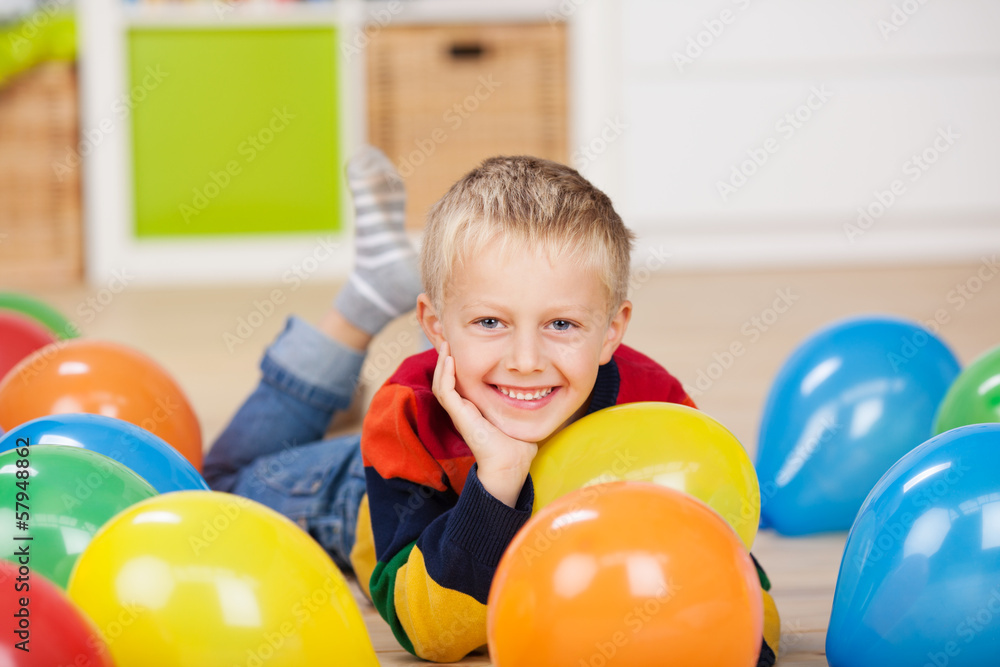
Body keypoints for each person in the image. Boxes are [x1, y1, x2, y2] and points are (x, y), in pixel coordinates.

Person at [203, 147, 780, 666]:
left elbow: (739, 586)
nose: (526, 360)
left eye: (561, 323)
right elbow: (428, 635)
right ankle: (362, 307)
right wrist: (500, 478)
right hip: (370, 494)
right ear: (435, 328)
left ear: (611, 331)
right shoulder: (409, 413)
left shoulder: (660, 409)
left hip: (452, 424)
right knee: (215, 493)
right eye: (489, 321)